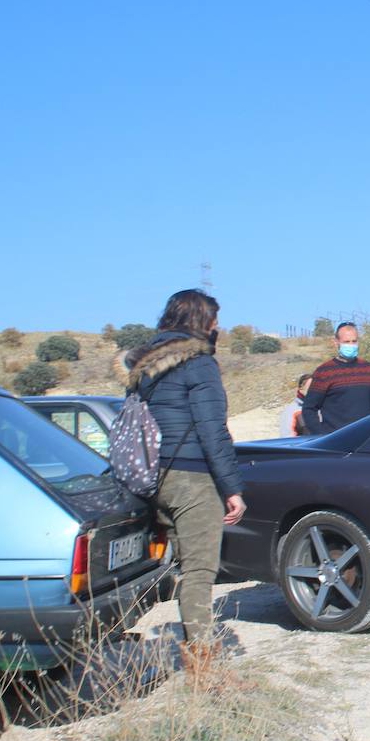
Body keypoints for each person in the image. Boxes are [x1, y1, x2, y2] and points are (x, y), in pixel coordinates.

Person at [122, 289, 245, 677]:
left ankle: (197, 656)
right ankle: (205, 669)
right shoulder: (199, 363)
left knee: (185, 569)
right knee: (200, 572)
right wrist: (232, 488)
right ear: (200, 321)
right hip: (192, 476)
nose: (218, 327)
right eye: (214, 320)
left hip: (153, 475)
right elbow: (212, 431)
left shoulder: (144, 367)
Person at [302, 322, 370, 434]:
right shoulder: (324, 372)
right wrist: (321, 435)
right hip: (335, 439)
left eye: (354, 341)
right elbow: (309, 408)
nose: (351, 345)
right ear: (336, 342)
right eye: (346, 342)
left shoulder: (368, 369)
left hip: (365, 437)